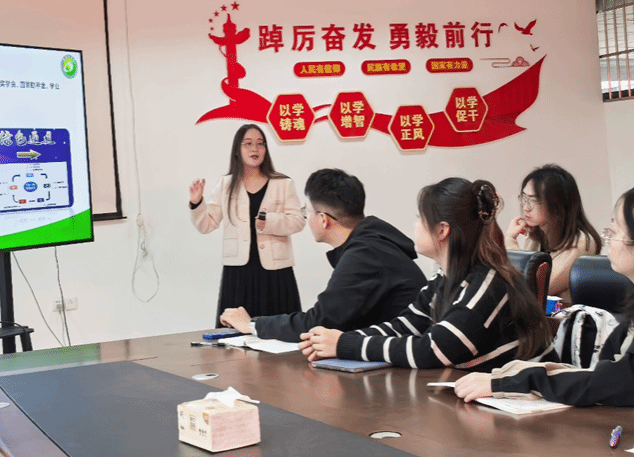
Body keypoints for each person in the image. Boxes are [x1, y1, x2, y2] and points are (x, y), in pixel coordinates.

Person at [298, 178, 553, 371]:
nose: (415, 225)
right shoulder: (445, 277)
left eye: (420, 218)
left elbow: (434, 349)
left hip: (523, 403)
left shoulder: (487, 282)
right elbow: (405, 326)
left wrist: (345, 345)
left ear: (442, 230)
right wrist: (336, 340)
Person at [455, 188, 634, 407]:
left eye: (616, 229)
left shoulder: (579, 243)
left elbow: (612, 381)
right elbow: (601, 375)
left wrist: (510, 382)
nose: (608, 238)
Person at [219, 168, 425, 342]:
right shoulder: (371, 244)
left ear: (324, 219)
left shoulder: (365, 254)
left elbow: (320, 322)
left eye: (307, 212)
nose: (306, 218)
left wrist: (251, 324)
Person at [190, 124, 304, 326]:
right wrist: (197, 203)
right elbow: (207, 225)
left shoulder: (283, 183)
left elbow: (298, 221)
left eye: (260, 144)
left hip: (276, 271)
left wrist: (270, 222)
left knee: (281, 331)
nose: (255, 149)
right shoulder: (226, 184)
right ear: (237, 150)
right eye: (248, 144)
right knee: (234, 333)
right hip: (238, 272)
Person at [505, 164, 601, 302]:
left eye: (533, 200)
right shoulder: (536, 236)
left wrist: (510, 242)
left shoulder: (582, 242)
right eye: (524, 198)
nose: (526, 207)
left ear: (557, 205)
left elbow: (537, 287)